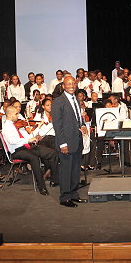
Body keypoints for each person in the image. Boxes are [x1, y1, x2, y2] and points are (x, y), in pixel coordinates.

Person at [2, 105, 58, 194]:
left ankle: (54, 180)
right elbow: (12, 141)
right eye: (16, 114)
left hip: (25, 147)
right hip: (17, 151)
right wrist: (28, 140)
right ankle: (41, 186)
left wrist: (38, 128)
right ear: (10, 115)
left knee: (52, 153)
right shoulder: (7, 127)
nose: (18, 115)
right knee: (34, 157)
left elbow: (27, 136)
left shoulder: (13, 125)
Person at [52, 75, 88, 207]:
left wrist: (82, 125)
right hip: (66, 142)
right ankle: (65, 197)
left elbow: (77, 118)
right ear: (63, 86)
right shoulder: (58, 102)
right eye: (68, 84)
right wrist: (63, 143)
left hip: (77, 140)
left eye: (73, 83)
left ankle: (73, 194)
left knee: (75, 170)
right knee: (66, 170)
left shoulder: (76, 100)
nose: (72, 86)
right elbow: (57, 125)